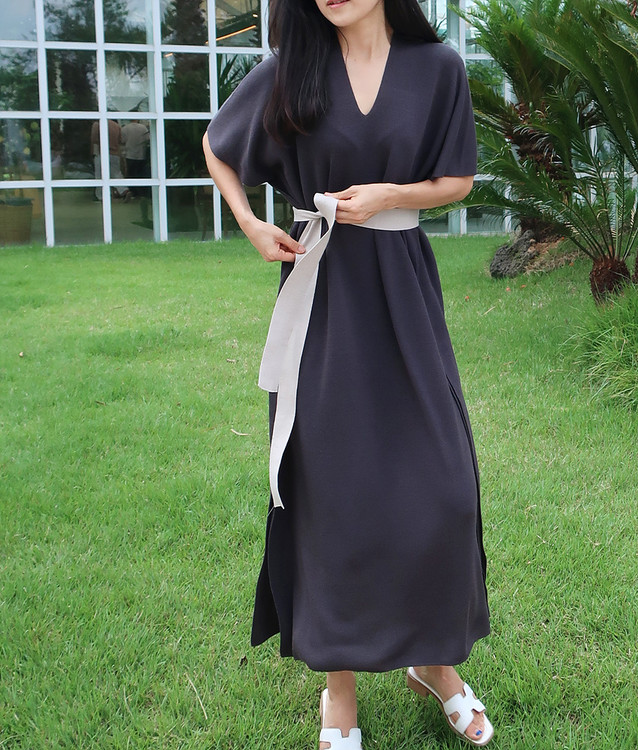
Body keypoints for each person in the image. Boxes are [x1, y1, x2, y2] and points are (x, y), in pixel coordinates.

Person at [203, 0, 493, 746]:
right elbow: (218, 146)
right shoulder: (291, 69)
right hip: (324, 299)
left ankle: (434, 663)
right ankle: (340, 693)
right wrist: (251, 223)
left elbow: (457, 179)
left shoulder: (439, 68)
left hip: (404, 293)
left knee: (445, 488)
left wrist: (393, 196)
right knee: (332, 492)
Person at [120, 119, 150, 197]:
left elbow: (122, 140)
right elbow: (148, 139)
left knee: (131, 174)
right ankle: (142, 192)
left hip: (130, 155)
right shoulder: (143, 128)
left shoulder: (125, 128)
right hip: (141, 154)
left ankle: (133, 192)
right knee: (141, 174)